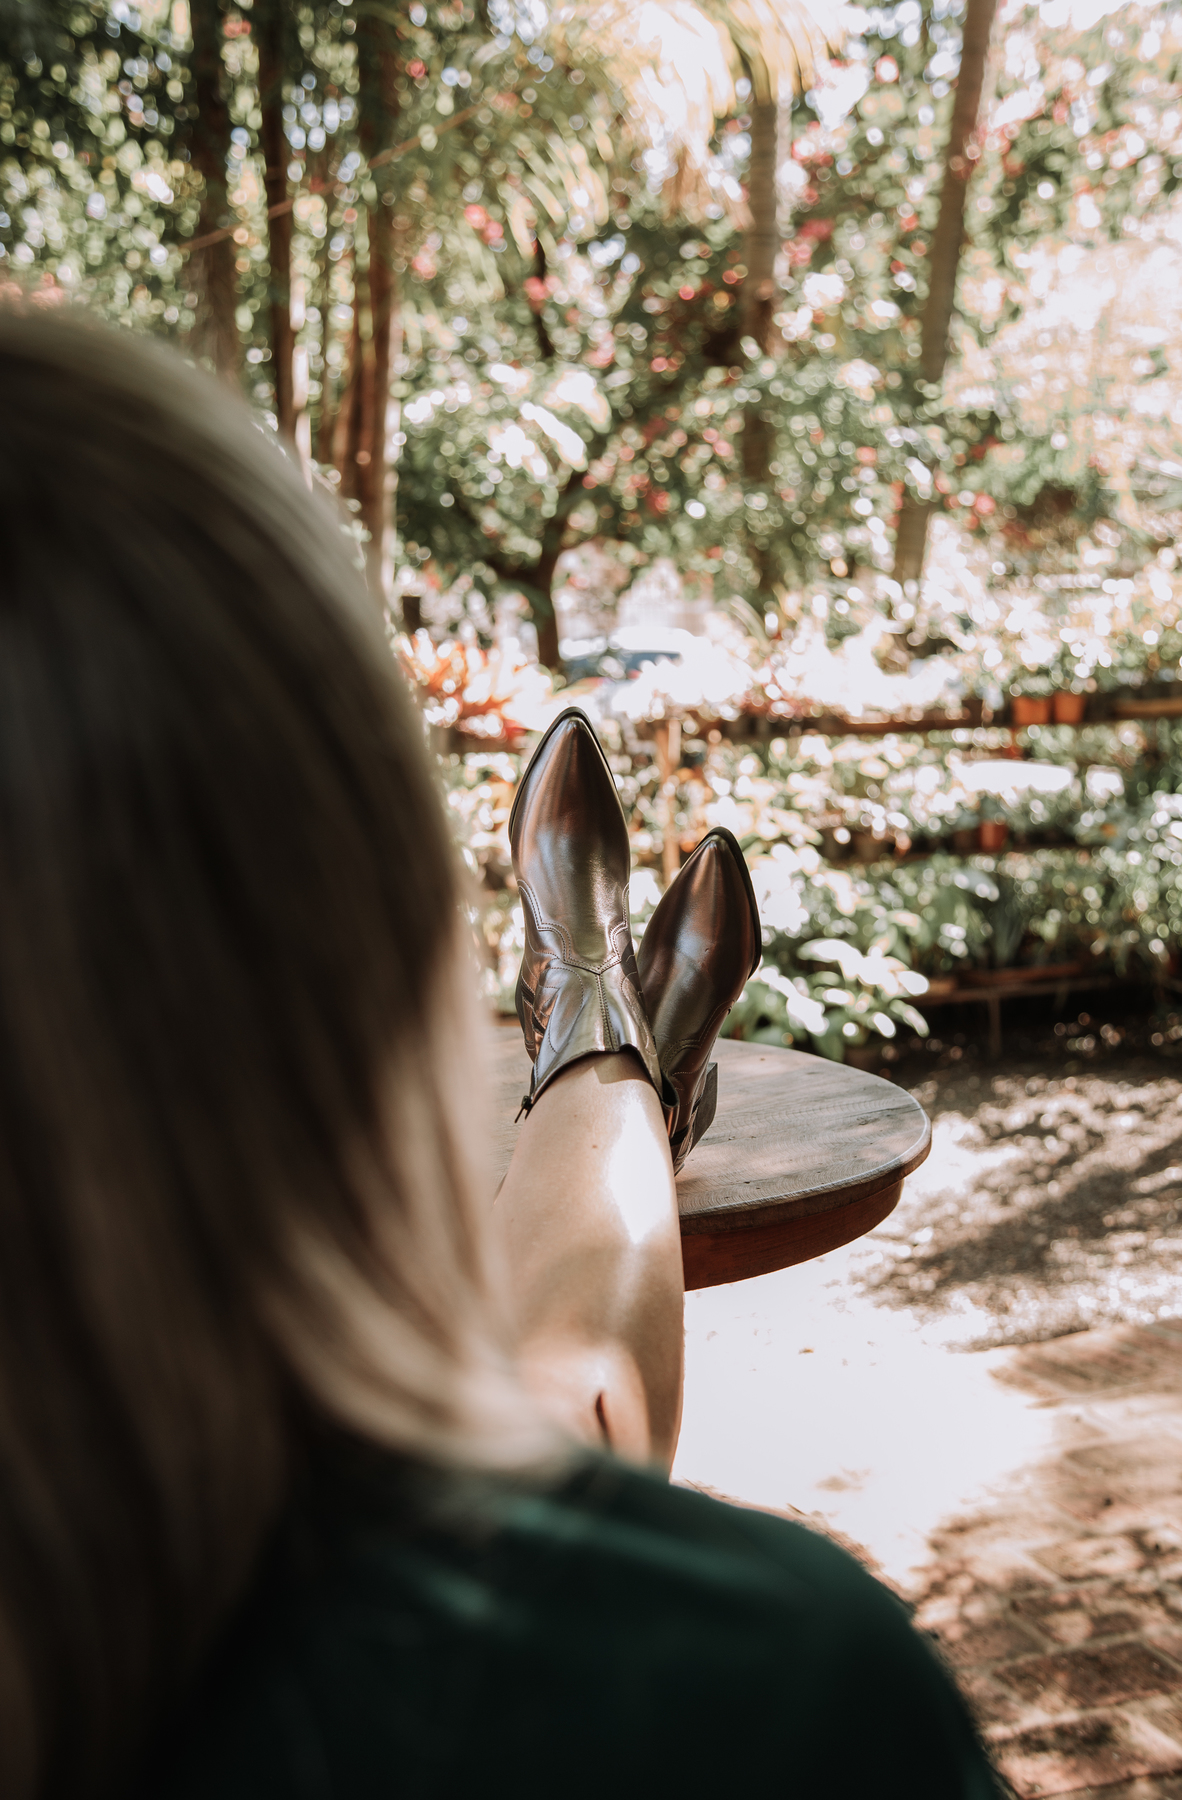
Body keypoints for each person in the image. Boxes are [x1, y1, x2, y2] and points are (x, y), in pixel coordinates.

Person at [0, 308, 1003, 1799]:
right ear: (377, 948)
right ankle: (605, 1033)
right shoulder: (784, 1704)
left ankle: (596, 1002)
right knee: (561, 1412)